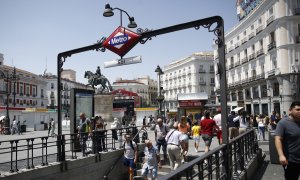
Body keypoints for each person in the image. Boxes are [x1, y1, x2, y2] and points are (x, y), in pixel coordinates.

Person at [275, 101, 300, 180]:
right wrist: (281, 155)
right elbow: (278, 139)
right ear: (290, 110)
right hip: (291, 161)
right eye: (297, 109)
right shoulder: (283, 123)